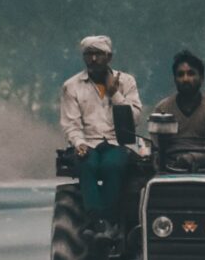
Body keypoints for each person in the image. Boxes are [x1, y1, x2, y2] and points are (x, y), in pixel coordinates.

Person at [59, 33, 147, 221]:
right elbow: (71, 124)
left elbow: (135, 119)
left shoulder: (126, 82)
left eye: (98, 54)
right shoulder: (71, 86)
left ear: (109, 57)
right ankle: (98, 221)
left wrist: (115, 93)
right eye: (88, 54)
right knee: (87, 165)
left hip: (118, 143)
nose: (93, 59)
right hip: (88, 143)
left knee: (112, 165)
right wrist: (79, 143)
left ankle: (108, 220)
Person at [149, 48, 205, 151]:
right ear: (175, 79)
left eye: (191, 73)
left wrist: (191, 159)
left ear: (202, 78)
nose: (185, 79)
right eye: (180, 74)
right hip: (171, 164)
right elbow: (158, 148)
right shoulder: (162, 108)